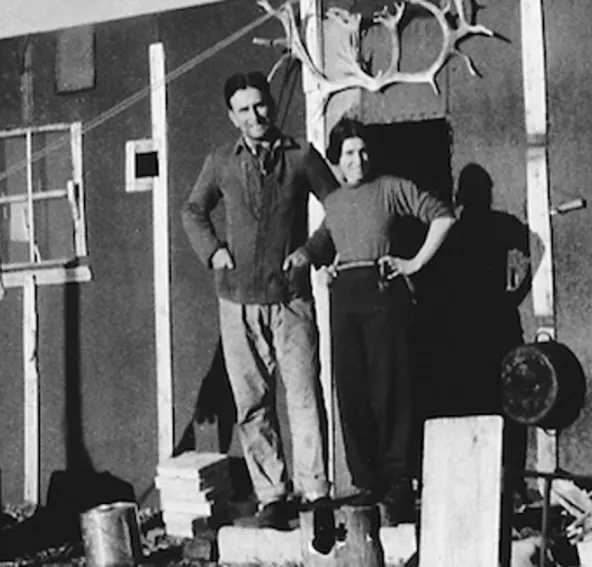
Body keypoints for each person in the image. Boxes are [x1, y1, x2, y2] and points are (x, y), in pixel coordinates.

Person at [181, 71, 337, 529]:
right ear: (232, 116)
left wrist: (311, 251)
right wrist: (214, 251)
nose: (255, 116)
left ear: (271, 103)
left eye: (260, 105)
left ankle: (316, 493)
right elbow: (193, 210)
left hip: (291, 299)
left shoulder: (301, 155)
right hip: (237, 302)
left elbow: (340, 207)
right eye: (244, 110)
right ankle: (273, 496)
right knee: (252, 402)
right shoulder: (221, 161)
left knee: (304, 395)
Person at [284, 118, 455, 525]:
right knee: (352, 388)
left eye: (363, 151)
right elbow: (325, 239)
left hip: (384, 294)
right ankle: (366, 481)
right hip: (344, 299)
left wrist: (413, 263)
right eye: (348, 153)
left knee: (389, 387)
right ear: (336, 160)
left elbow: (443, 216)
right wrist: (307, 257)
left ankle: (398, 482)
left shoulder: (392, 188)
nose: (357, 160)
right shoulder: (335, 201)